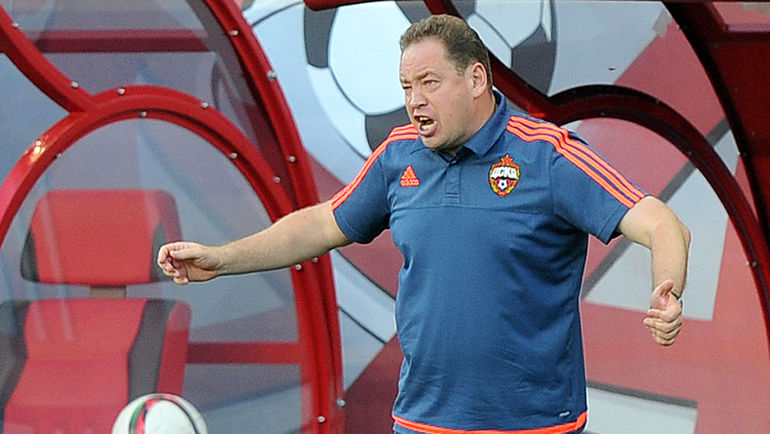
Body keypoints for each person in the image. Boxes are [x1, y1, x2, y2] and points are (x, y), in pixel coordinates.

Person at [157, 14, 690, 434]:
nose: (414, 102)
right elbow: (321, 225)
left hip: (535, 426)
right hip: (422, 422)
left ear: (475, 79)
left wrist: (667, 291)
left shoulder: (547, 156)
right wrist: (222, 258)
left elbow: (663, 224)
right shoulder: (398, 155)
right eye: (407, 86)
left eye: (429, 83)